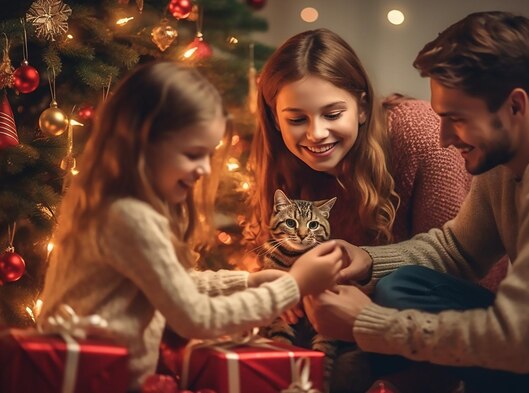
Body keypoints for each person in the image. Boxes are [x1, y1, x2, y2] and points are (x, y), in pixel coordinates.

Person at [304, 11, 529, 393]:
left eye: (455, 119)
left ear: (515, 106)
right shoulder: (505, 155)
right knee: (404, 286)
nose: (443, 138)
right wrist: (367, 260)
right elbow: (458, 249)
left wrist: (367, 323)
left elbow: (518, 338)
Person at [37, 62, 344, 391]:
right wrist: (294, 286)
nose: (203, 170)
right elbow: (198, 318)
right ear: (144, 143)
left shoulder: (120, 208)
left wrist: (247, 281)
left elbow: (176, 283)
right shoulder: (129, 217)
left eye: (207, 155)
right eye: (193, 154)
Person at [247, 28, 471, 249]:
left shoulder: (420, 132)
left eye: (333, 115)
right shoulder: (282, 166)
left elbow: (451, 261)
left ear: (362, 107)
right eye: (296, 119)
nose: (316, 134)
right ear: (275, 120)